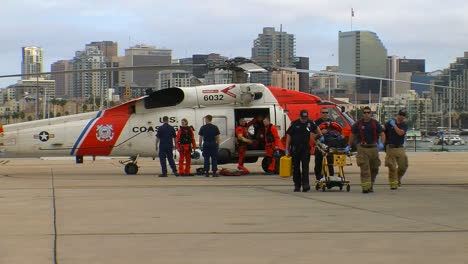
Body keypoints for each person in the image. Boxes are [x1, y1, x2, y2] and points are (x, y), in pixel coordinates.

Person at [346, 106, 385, 193]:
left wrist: (381, 143)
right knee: (364, 168)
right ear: (362, 114)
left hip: (373, 148)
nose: (366, 114)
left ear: (370, 114)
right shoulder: (358, 124)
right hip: (362, 148)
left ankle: (370, 185)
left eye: (368, 112)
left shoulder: (375, 123)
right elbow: (352, 134)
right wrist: (349, 145)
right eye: (365, 112)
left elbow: (382, 133)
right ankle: (365, 187)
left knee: (374, 168)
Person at [285, 110, 322, 192]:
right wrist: (287, 148)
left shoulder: (310, 123)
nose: (304, 120)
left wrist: (320, 136)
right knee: (296, 168)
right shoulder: (294, 124)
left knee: (305, 167)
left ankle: (306, 184)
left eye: (305, 118)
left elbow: (317, 130)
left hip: (305, 148)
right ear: (300, 116)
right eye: (303, 118)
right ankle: (297, 185)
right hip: (295, 148)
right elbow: (289, 135)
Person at [384, 110, 409, 190]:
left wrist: (394, 126)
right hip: (390, 147)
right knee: (392, 167)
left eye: (403, 115)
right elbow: (382, 130)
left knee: (403, 166)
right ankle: (393, 184)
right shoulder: (389, 123)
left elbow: (400, 133)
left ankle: (397, 178)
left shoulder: (404, 125)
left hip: (400, 147)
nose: (401, 116)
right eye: (400, 114)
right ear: (397, 115)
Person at [314, 108, 335, 181]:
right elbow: (312, 136)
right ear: (320, 113)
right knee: (318, 163)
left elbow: (336, 132)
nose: (325, 114)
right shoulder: (316, 123)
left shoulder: (332, 123)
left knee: (330, 163)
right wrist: (320, 133)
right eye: (323, 112)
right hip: (319, 146)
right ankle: (319, 179)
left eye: (326, 112)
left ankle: (331, 178)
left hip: (329, 145)